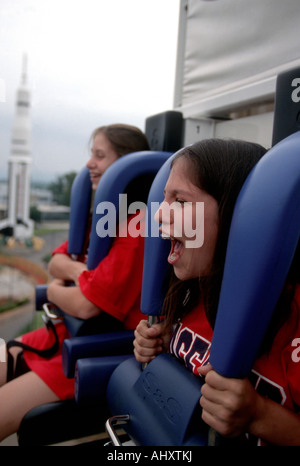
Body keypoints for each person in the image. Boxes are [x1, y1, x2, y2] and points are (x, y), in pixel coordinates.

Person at [133, 138, 300, 446]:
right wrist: (161, 344)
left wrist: (260, 415)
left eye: (180, 202)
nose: (159, 216)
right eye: (165, 199)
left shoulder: (294, 317)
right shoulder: (190, 293)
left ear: (240, 217)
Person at [0, 123, 150, 441]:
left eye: (99, 155)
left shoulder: (138, 226)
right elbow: (56, 261)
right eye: (90, 154)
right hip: (63, 335)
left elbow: (86, 306)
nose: (89, 164)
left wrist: (56, 289)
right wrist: (78, 274)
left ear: (126, 164)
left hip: (94, 350)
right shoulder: (108, 216)